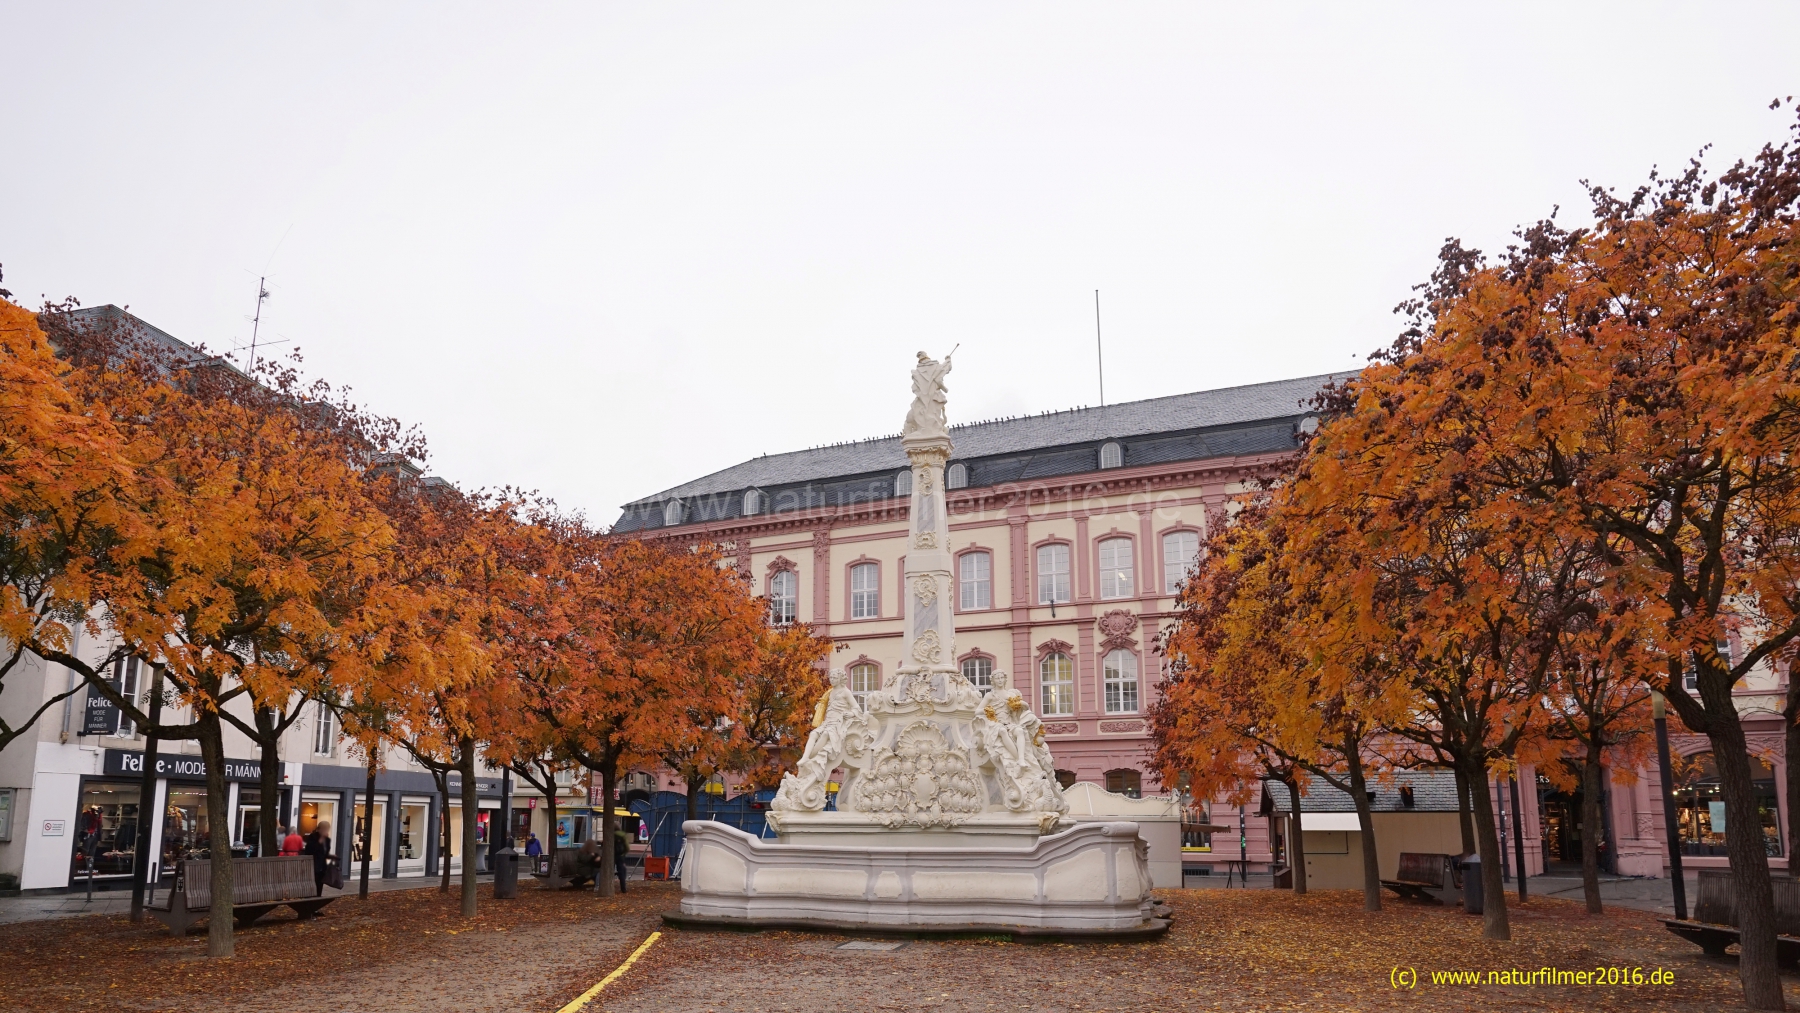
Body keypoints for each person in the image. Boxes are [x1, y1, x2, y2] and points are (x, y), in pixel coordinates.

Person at [303, 820, 334, 896]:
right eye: (324, 829)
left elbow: (325, 853)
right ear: (319, 829)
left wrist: (332, 856)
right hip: (313, 865)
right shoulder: (312, 837)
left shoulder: (327, 840)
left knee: (320, 884)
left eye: (327, 829)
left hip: (322, 866)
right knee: (313, 884)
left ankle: (318, 897)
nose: (325, 831)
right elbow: (309, 850)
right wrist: (320, 841)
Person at [613, 825, 631, 894]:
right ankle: (623, 888)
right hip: (621, 856)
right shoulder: (623, 835)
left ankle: (610, 886)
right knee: (622, 872)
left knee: (610, 871)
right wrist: (624, 853)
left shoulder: (611, 834)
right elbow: (627, 847)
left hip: (612, 855)